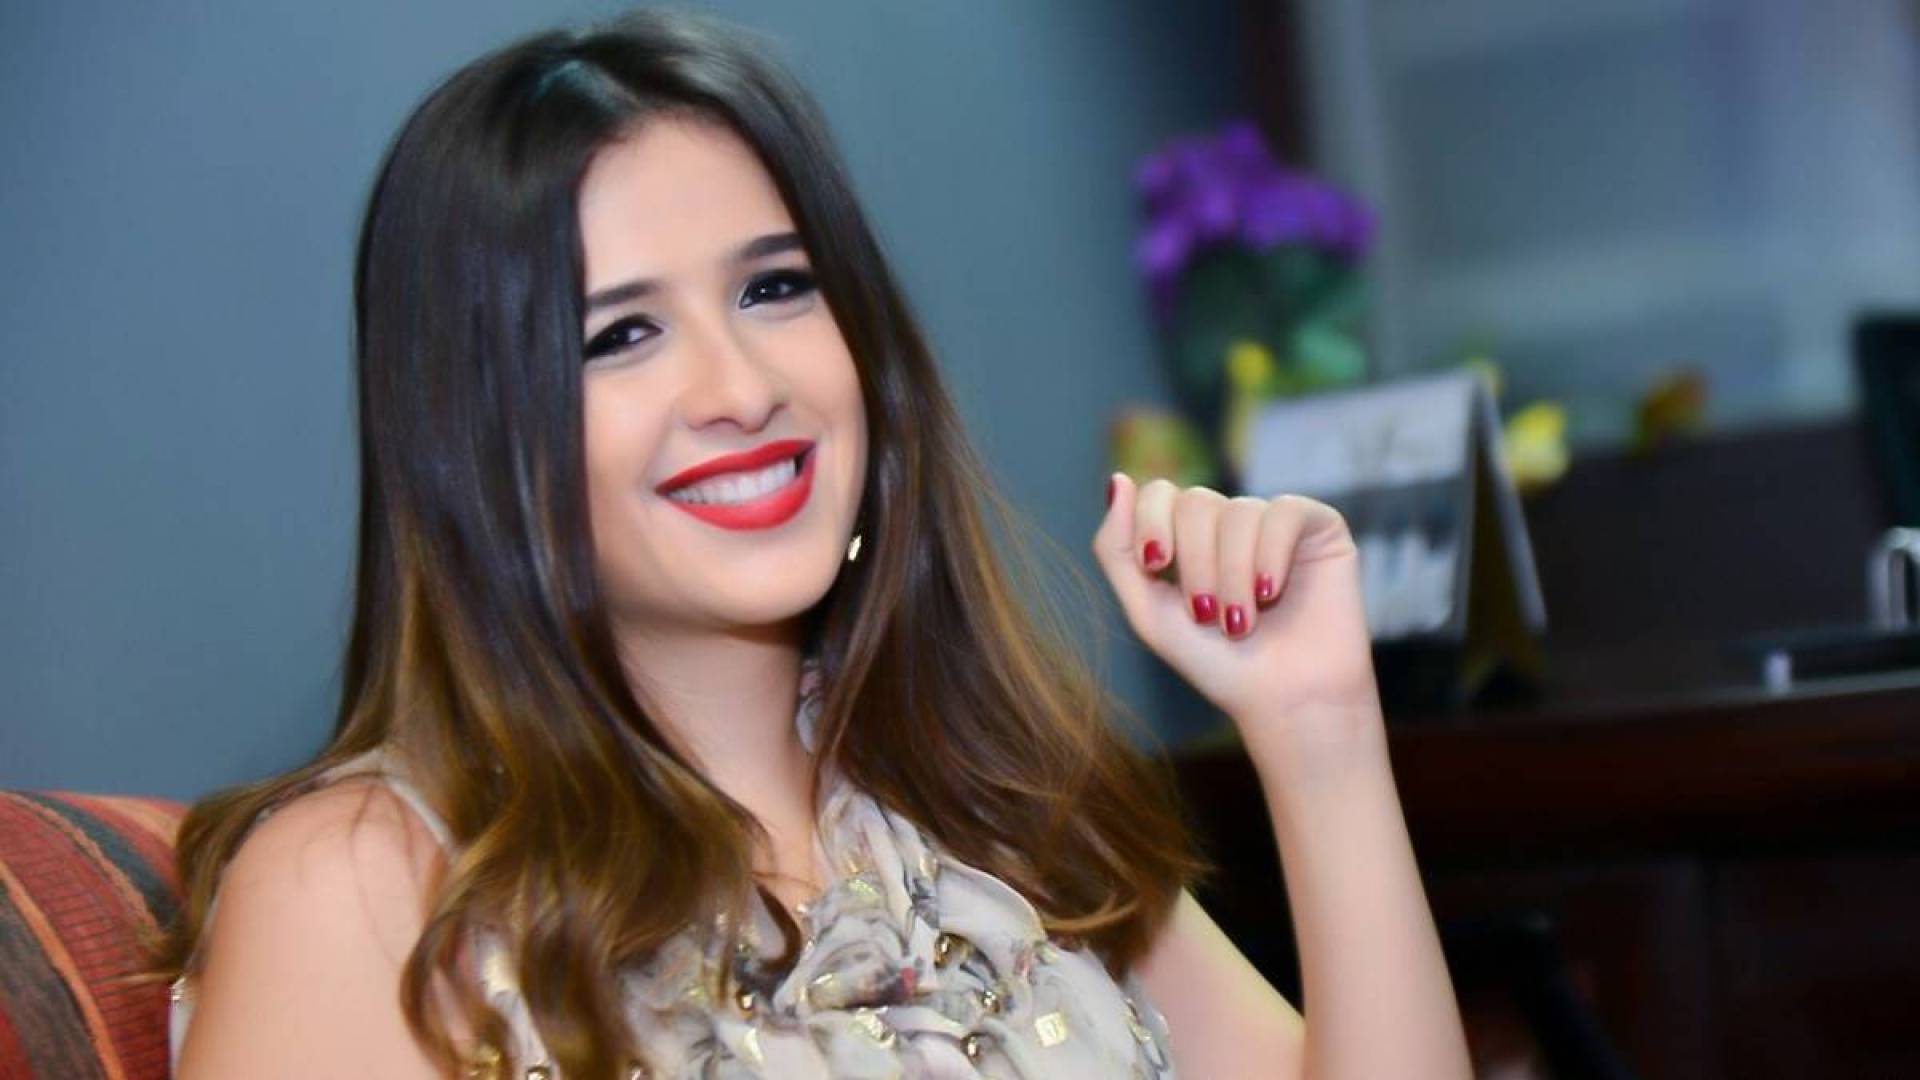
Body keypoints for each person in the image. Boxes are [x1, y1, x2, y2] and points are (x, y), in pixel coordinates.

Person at [158, 10, 1470, 1079]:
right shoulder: (368, 884)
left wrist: (1319, 728)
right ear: (471, 433)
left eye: (775, 287)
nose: (741, 387)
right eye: (620, 334)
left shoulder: (1002, 817)